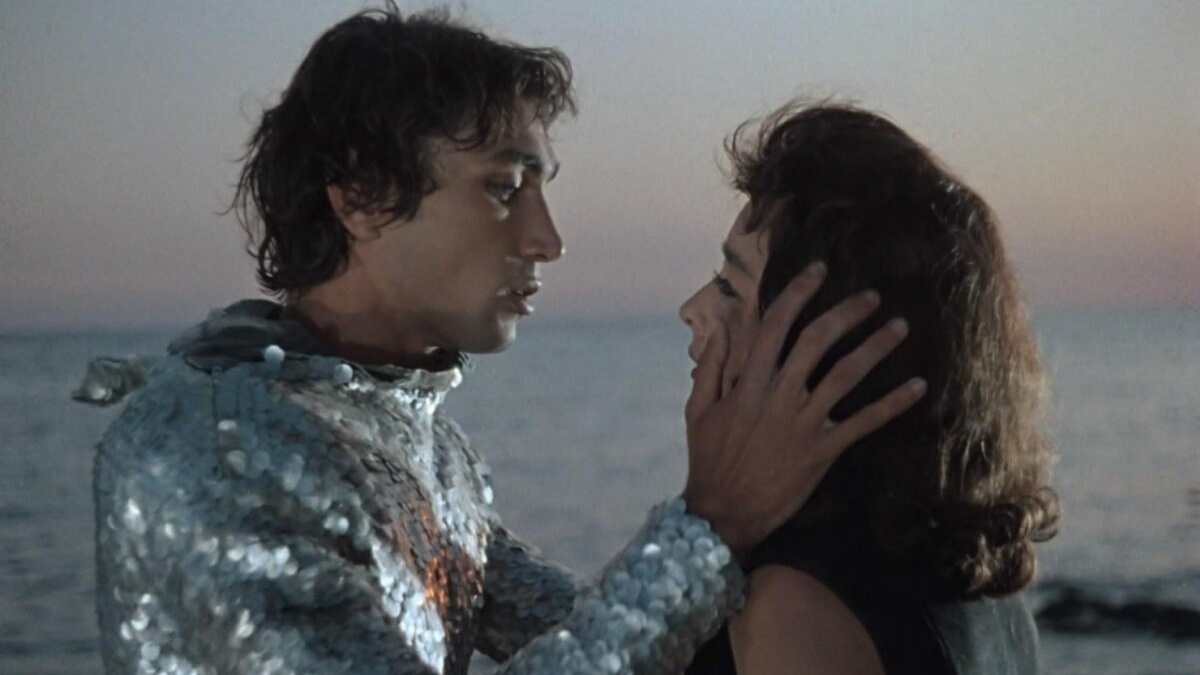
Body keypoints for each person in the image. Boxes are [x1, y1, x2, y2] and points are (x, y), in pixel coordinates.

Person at [73, 9, 924, 675]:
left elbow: (591, 635)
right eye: (505, 188)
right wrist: (712, 522)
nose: (548, 240)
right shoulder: (209, 451)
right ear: (360, 195)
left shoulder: (422, 446)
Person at [679, 102, 1061, 675]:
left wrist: (698, 527)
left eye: (730, 287)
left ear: (828, 347)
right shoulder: (984, 585)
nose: (692, 309)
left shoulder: (793, 608)